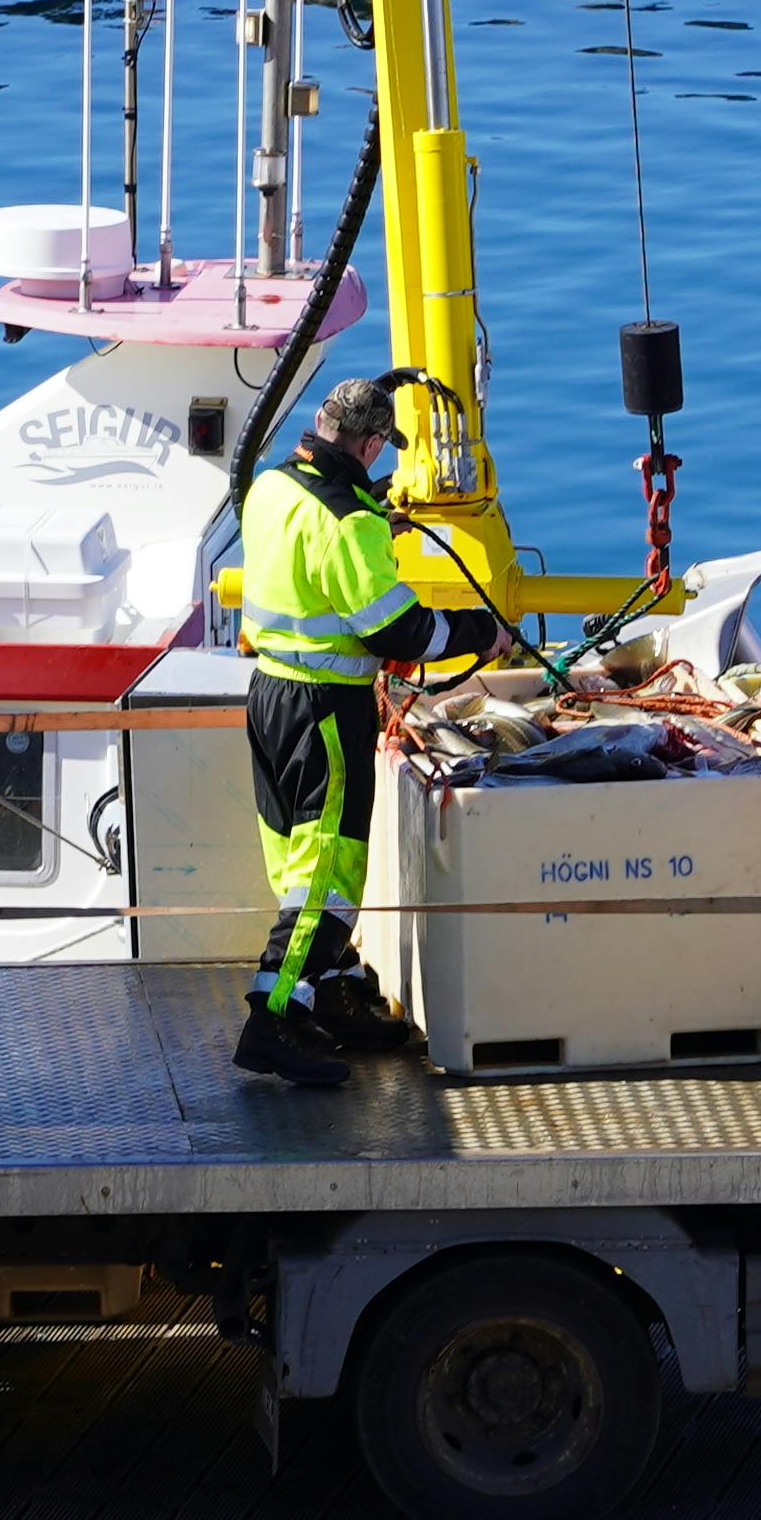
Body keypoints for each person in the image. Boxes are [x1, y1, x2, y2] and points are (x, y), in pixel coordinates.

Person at [232, 375, 437, 1089]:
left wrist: (373, 509)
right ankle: (274, 1018)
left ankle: (337, 991)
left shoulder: (271, 488)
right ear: (374, 443)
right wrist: (483, 631)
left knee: (296, 864)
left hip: (269, 697)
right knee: (326, 876)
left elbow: (313, 544)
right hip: (327, 710)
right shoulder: (354, 524)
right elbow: (400, 627)